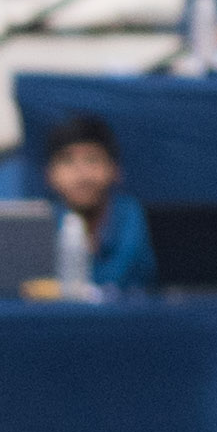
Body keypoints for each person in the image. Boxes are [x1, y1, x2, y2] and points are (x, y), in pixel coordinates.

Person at [40, 114, 156, 298]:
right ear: (50, 175)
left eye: (92, 159)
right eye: (67, 161)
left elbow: (119, 279)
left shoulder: (129, 214)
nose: (81, 174)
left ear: (115, 170)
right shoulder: (42, 221)